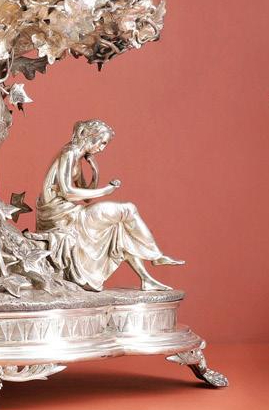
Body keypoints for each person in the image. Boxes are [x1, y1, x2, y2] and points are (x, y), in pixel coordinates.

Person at [35, 119, 183, 291]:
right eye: (102, 142)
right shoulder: (69, 152)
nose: (102, 148)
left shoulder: (78, 156)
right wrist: (105, 191)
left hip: (69, 211)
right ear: (91, 136)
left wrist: (95, 170)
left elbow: (86, 196)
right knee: (128, 210)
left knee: (118, 228)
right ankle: (155, 255)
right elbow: (68, 192)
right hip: (61, 215)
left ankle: (146, 278)